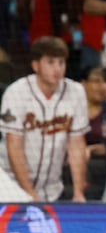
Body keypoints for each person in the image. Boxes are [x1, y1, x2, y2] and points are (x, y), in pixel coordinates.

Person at [1, 37, 89, 202]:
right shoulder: (16, 93)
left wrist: (78, 192)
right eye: (50, 62)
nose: (57, 68)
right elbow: (14, 146)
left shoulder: (76, 92)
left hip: (52, 189)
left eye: (61, 62)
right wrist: (29, 192)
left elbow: (76, 144)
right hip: (10, 186)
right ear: (35, 65)